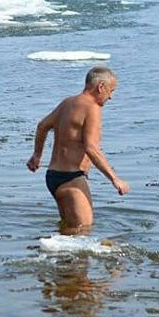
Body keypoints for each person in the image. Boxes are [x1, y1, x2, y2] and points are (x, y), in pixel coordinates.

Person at [26, 66, 130, 233]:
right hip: (71, 178)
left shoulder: (67, 103)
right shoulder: (92, 108)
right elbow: (91, 148)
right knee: (82, 231)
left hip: (53, 176)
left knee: (68, 229)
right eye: (111, 91)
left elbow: (42, 126)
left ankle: (50, 250)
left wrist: (37, 155)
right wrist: (114, 178)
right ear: (101, 87)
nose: (111, 97)